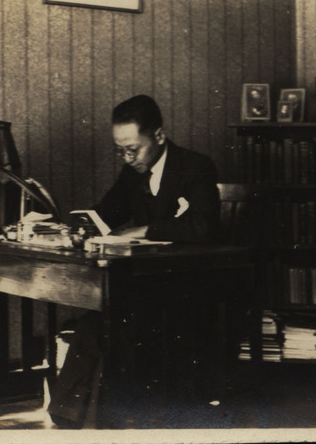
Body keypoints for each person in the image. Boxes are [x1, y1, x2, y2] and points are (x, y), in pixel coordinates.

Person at [47, 94, 221, 428]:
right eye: (120, 150)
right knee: (93, 324)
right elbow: (106, 214)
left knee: (103, 326)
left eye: (132, 149)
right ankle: (73, 418)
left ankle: (87, 417)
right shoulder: (132, 174)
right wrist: (71, 229)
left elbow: (202, 227)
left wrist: (143, 229)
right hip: (146, 285)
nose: (127, 158)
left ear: (158, 135)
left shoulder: (194, 167)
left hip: (190, 288)